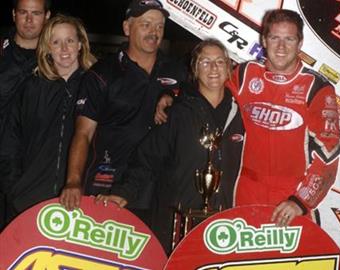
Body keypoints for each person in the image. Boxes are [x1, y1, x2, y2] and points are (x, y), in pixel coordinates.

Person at [94, 39, 245, 254]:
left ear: (229, 67)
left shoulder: (242, 113)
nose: (213, 68)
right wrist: (123, 192)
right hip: (179, 222)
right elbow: (147, 158)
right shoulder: (178, 113)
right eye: (205, 62)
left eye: (220, 62)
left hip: (226, 225)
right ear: (194, 68)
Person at [59, 0, 186, 215]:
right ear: (127, 28)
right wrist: (73, 181)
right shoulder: (101, 74)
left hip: (159, 191)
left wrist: (173, 95)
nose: (153, 32)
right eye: (146, 24)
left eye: (159, 26)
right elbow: (83, 132)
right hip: (108, 187)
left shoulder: (178, 72)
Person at [226, 9, 340, 226]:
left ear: (300, 44)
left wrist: (300, 202)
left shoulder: (317, 88)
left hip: (291, 197)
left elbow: (328, 156)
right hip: (247, 190)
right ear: (264, 40)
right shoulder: (243, 74)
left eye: (289, 39)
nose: (281, 47)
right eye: (274, 38)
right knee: (244, 260)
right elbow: (207, 91)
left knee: (291, 261)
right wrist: (169, 93)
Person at [0, 14, 96, 223]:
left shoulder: (96, 86)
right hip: (28, 202)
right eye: (56, 42)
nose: (63, 49)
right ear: (47, 47)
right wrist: (15, 189)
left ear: (80, 44)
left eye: (69, 41)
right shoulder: (31, 87)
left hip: (81, 203)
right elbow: (10, 142)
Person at [0, 0, 51, 229]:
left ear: (47, 16)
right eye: (23, 12)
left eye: (36, 13)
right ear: (14, 14)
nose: (29, 20)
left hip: (31, 171)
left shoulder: (58, 59)